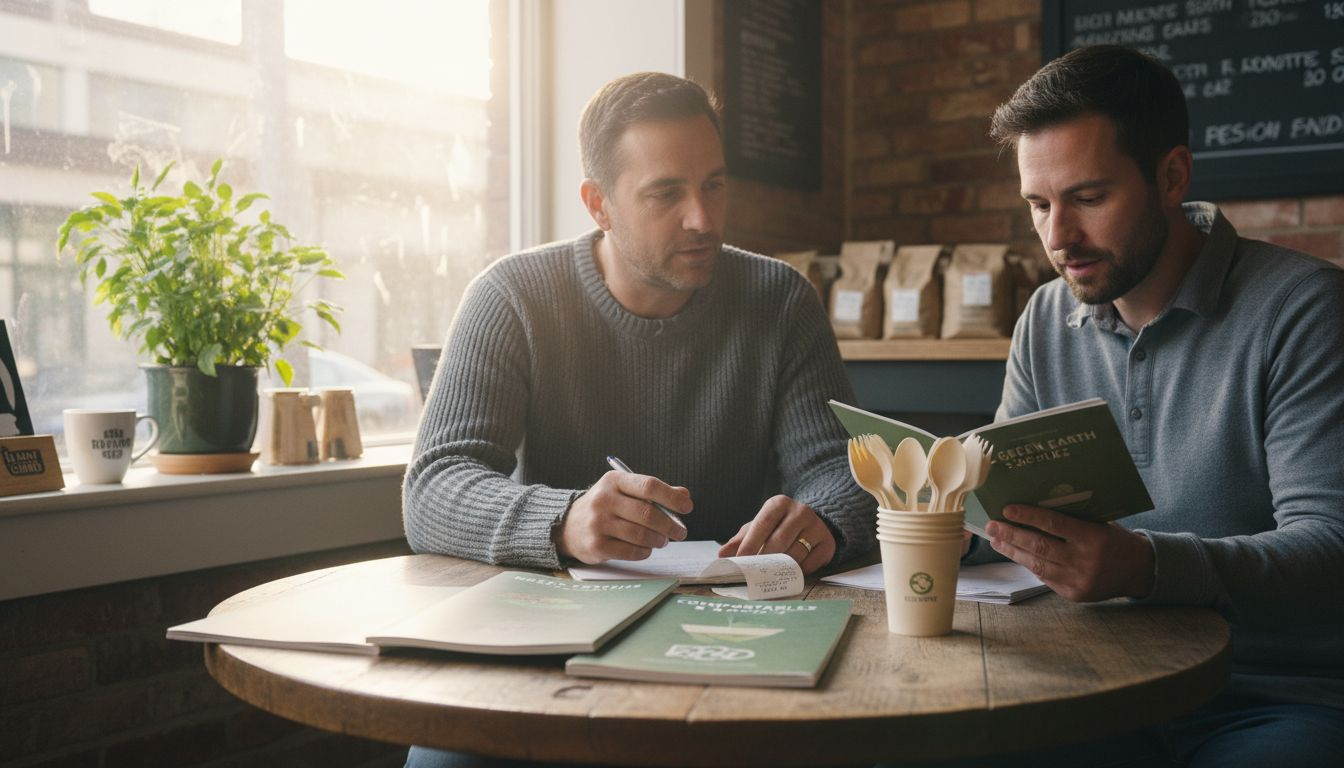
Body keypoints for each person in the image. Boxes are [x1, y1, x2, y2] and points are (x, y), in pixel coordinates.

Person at [402, 71, 875, 768]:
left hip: (736, 632)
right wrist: (563, 521)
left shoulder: (779, 300)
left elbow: (845, 470)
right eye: (666, 194)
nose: (703, 220)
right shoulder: (513, 296)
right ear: (599, 204)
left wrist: (825, 522)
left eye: (714, 185)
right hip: (554, 636)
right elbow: (433, 486)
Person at [951, 44, 1344, 766]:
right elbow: (1007, 509)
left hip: (1271, 697)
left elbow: (1331, 548)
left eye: (1088, 198)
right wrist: (951, 521)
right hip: (1092, 681)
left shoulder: (1304, 309)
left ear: (1171, 176)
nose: (1058, 238)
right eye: (1039, 205)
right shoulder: (1045, 317)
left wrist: (1146, 567)